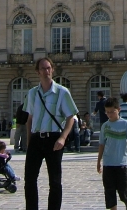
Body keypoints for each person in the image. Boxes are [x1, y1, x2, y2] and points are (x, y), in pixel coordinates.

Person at [23, 57, 79, 210]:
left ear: (52, 70)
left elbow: (70, 118)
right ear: (37, 72)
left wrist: (63, 137)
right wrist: (29, 141)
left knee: (54, 181)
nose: (46, 71)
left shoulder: (62, 92)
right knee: (29, 180)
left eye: (48, 68)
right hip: (36, 138)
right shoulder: (32, 93)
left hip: (54, 139)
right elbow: (30, 118)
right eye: (43, 68)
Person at [97, 97, 127, 210]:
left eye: (112, 111)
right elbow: (101, 144)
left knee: (124, 190)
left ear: (118, 109)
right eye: (107, 112)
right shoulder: (105, 126)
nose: (109, 114)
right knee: (109, 192)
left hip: (122, 163)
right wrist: (99, 161)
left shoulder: (125, 124)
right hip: (108, 163)